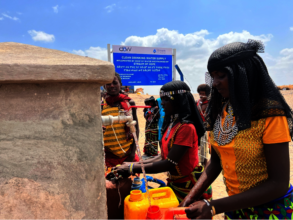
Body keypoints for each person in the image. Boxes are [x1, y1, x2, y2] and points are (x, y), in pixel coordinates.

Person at [181, 40, 293, 220]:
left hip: (270, 209)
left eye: (222, 75)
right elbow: (216, 161)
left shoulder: (269, 115)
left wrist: (213, 206)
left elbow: (278, 183)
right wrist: (191, 196)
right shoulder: (222, 111)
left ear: (243, 74)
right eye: (213, 76)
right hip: (235, 206)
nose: (215, 83)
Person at [115, 81, 212, 202]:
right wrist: (133, 165)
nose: (162, 104)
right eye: (162, 99)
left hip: (187, 186)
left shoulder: (186, 128)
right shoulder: (172, 124)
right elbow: (163, 157)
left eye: (166, 99)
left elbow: (169, 163)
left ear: (178, 100)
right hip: (175, 182)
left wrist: (132, 168)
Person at [102, 72, 140, 168]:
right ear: (104, 86)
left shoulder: (129, 103)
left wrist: (132, 155)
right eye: (108, 83)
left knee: (131, 182)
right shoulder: (101, 105)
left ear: (121, 84)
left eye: (115, 83)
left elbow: (136, 129)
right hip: (108, 156)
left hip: (127, 154)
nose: (112, 86)